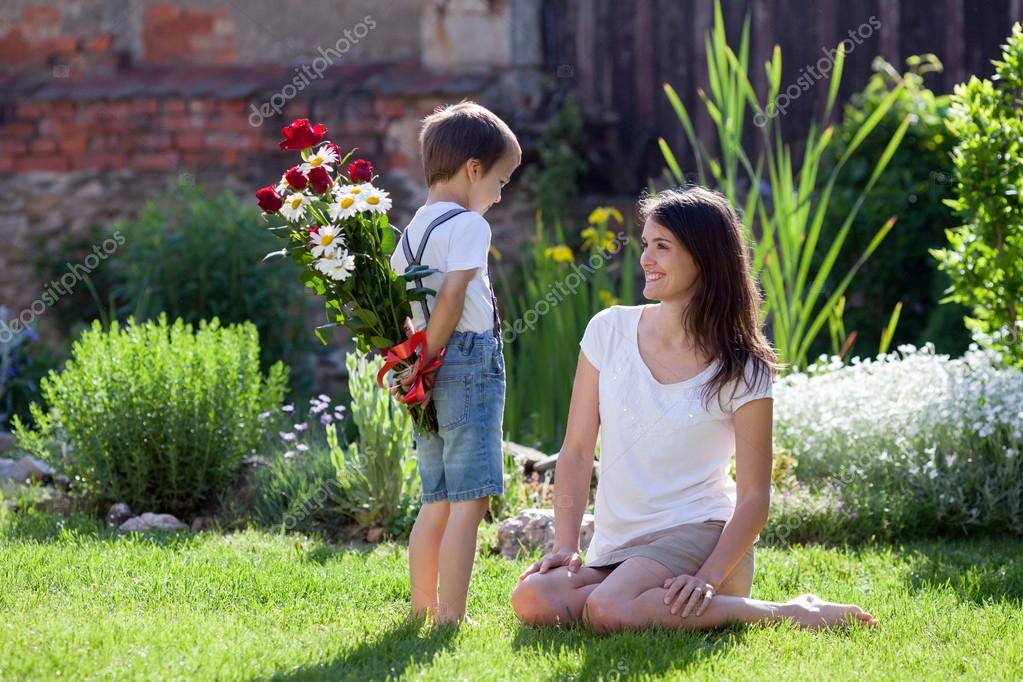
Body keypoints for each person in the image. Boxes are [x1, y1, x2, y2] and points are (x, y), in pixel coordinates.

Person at [511, 187, 877, 632]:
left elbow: (755, 499)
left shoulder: (743, 367)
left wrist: (707, 577)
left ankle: (791, 612)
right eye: (646, 244)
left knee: (607, 610)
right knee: (534, 598)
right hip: (623, 548)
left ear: (704, 257)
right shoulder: (608, 331)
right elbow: (576, 450)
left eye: (662, 247)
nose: (646, 258)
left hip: (704, 538)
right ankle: (638, 600)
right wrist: (566, 546)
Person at [390, 101, 521, 626]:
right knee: (472, 501)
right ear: (472, 169)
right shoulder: (468, 225)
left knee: (437, 498)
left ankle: (422, 607)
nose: (499, 193)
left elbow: (411, 307)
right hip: (465, 361)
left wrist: (416, 360)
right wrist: (427, 354)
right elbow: (452, 294)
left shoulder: (411, 232)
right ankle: (450, 618)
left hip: (430, 370)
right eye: (500, 180)